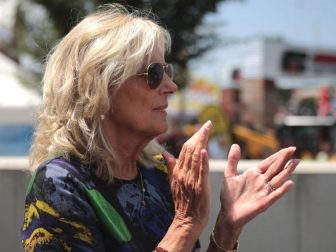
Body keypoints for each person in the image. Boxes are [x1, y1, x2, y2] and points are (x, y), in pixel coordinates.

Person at [21, 4, 300, 252]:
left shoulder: (158, 173)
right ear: (100, 88)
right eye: (154, 73)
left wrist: (226, 230)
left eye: (168, 71)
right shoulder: (59, 184)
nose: (170, 86)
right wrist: (185, 224)